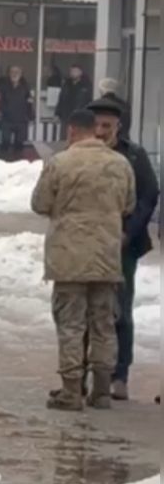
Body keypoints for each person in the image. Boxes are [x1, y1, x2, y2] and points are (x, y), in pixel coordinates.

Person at [30, 109, 135, 411]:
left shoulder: (60, 163)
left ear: (73, 131)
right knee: (103, 324)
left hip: (69, 258)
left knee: (71, 325)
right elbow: (128, 204)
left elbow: (40, 203)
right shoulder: (120, 163)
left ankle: (71, 390)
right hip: (106, 257)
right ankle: (101, 391)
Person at [87, 97, 160, 401]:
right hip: (87, 243)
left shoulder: (133, 155)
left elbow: (150, 193)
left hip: (122, 245)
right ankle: (85, 373)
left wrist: (129, 232)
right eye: (98, 125)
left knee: (121, 309)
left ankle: (120, 375)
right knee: (85, 308)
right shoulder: (81, 153)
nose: (102, 131)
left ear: (118, 126)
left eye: (108, 125)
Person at [0, 65, 33, 160]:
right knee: (5, 141)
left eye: (17, 72)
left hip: (21, 120)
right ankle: (2, 163)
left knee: (19, 144)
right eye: (12, 72)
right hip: (7, 119)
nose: (14, 74)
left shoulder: (25, 86)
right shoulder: (3, 86)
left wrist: (31, 117)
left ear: (21, 74)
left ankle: (18, 165)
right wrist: (1, 109)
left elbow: (30, 103)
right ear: (9, 74)